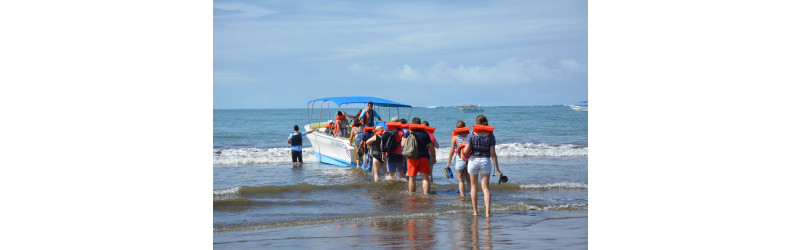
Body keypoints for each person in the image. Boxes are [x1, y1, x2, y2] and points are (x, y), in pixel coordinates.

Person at [463, 115, 503, 217]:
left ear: (477, 123)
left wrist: (462, 150)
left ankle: (475, 212)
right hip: (485, 161)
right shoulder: (490, 136)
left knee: (474, 187)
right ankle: (487, 213)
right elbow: (493, 154)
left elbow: (466, 151)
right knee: (485, 188)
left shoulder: (471, 135)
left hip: (473, 161)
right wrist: (497, 169)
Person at [401, 117, 436, 194]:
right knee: (425, 179)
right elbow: (431, 147)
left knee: (412, 179)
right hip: (423, 158)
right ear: (420, 124)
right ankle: (426, 195)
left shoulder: (408, 133)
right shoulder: (425, 134)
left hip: (412, 158)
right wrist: (434, 157)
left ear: (412, 124)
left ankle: (412, 196)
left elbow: (403, 145)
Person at [446, 120, 471, 197]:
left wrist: (448, 162)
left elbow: (451, 151)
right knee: (469, 180)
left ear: (457, 128)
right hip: (470, 160)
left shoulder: (455, 137)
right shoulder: (470, 135)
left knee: (461, 180)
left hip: (460, 160)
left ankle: (463, 197)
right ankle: (472, 195)